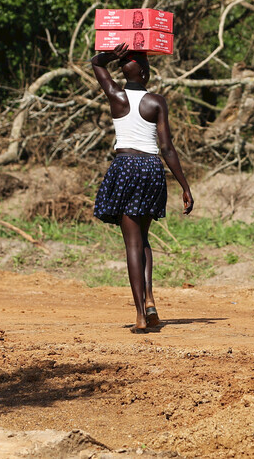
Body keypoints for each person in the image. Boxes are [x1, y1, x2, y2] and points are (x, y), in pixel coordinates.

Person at [91, 43, 194, 333]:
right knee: (144, 240)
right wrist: (184, 186)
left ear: (124, 71)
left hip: (125, 167)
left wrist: (113, 56)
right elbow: (167, 148)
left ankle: (140, 316)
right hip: (150, 169)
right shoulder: (156, 102)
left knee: (132, 244)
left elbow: (96, 63)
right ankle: (149, 303)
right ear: (146, 74)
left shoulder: (116, 96)